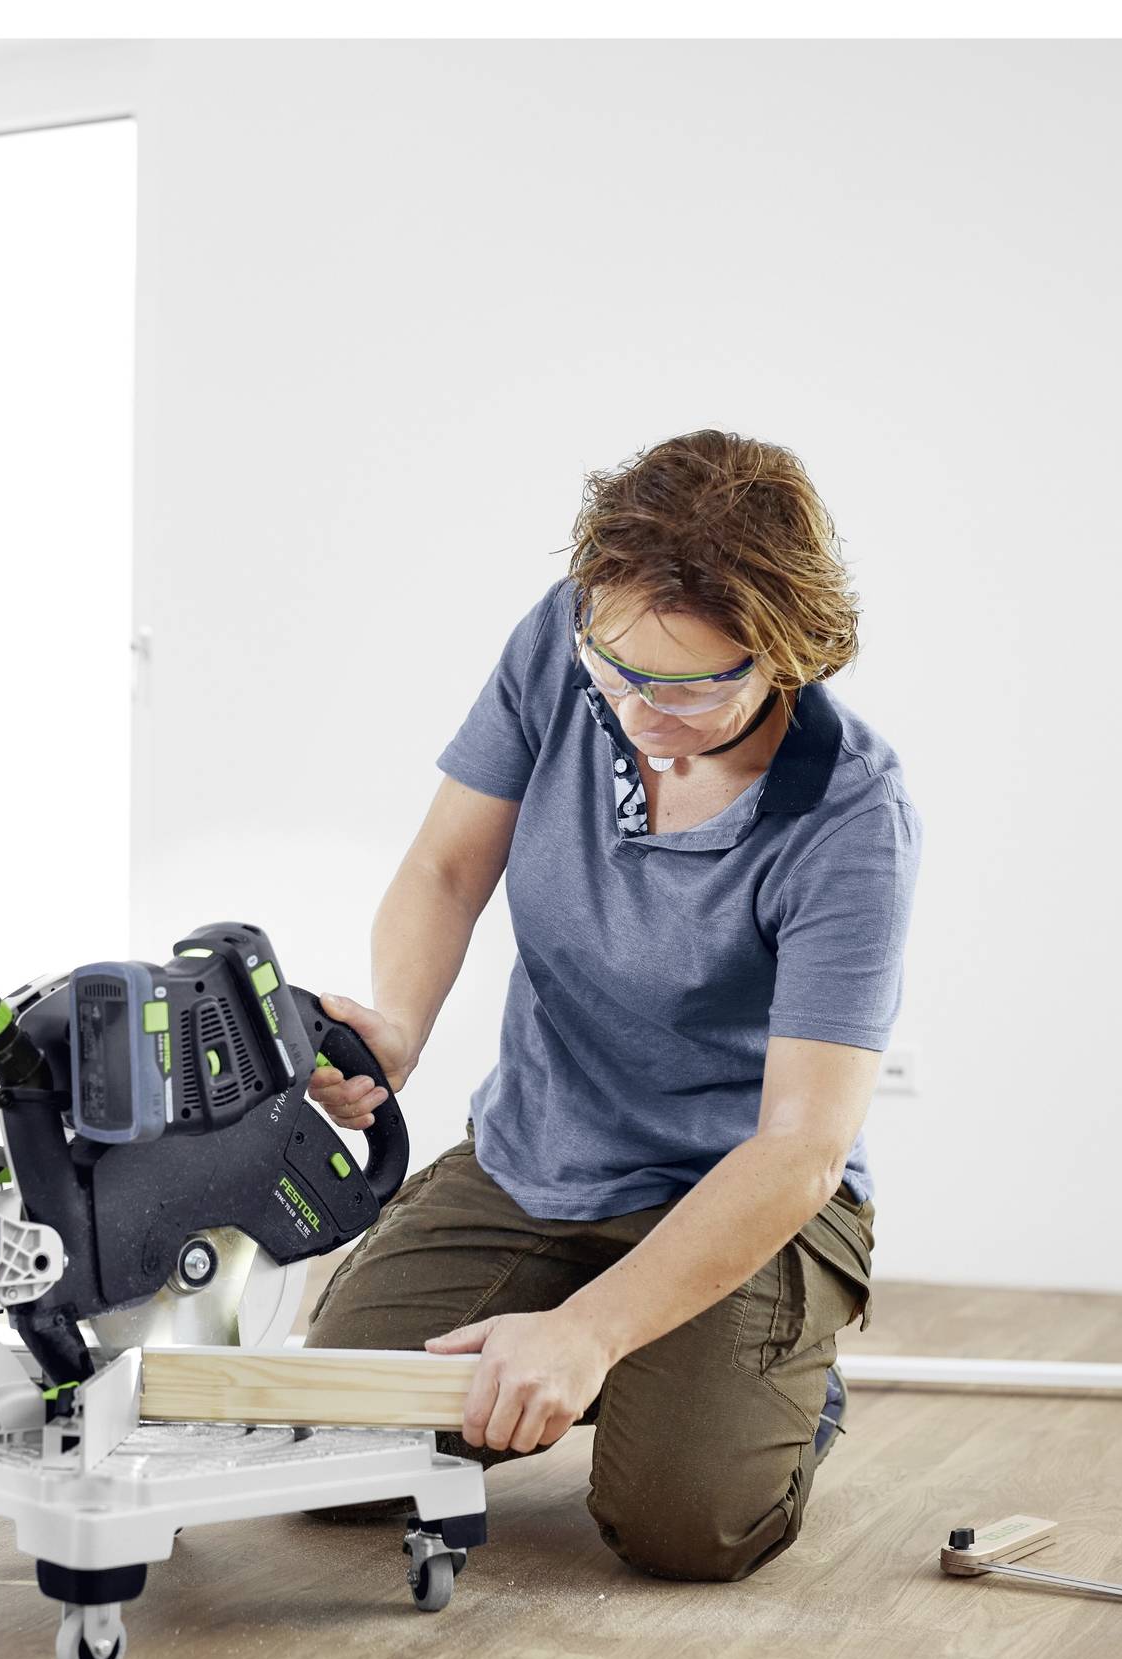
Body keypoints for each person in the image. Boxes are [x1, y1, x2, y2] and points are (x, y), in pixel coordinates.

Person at [301, 428, 920, 1582]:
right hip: (544, 1150)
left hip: (735, 1192)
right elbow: (444, 870)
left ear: (784, 653)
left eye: (691, 687)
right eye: (618, 672)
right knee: (322, 1452)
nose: (641, 712)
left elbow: (798, 1150)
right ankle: (631, 1342)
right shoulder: (570, 636)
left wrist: (590, 1331)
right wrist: (398, 1029)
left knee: (685, 1529)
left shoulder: (850, 820)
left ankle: (767, 1382)